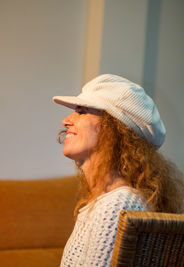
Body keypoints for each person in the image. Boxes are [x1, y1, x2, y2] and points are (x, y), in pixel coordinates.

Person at [53, 74, 184, 267]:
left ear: (113, 129)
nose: (66, 121)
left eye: (81, 111)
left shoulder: (117, 205)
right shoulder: (106, 202)